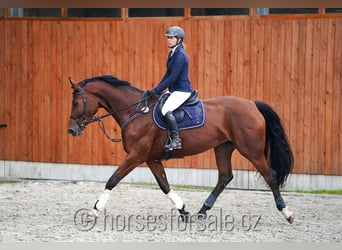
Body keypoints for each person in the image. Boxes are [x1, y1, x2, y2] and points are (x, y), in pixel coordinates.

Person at [147, 26, 194, 151]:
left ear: (179, 39)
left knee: (166, 109)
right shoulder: (172, 53)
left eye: (171, 38)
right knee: (158, 104)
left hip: (182, 90)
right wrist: (156, 89)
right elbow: (167, 74)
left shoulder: (181, 55)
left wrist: (156, 90)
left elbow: (173, 77)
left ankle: (176, 140)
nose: (168, 40)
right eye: (168, 38)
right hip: (174, 90)